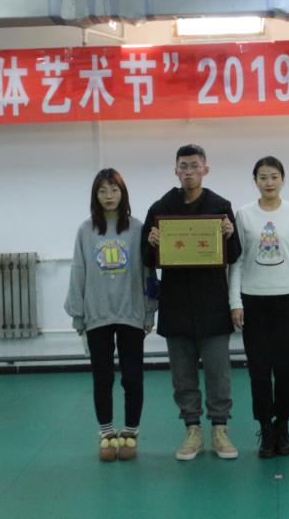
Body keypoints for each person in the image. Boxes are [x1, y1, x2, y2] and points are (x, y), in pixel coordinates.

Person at [142, 144, 243, 461]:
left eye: (195, 165)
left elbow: (235, 255)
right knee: (182, 375)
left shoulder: (220, 206)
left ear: (205, 169)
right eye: (183, 166)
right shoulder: (161, 208)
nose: (189, 171)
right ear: (176, 170)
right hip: (176, 304)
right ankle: (192, 429)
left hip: (213, 303)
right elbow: (147, 259)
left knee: (218, 373)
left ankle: (220, 428)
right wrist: (152, 243)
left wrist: (230, 235)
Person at [65, 168, 157, 462]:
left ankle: (130, 431)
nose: (108, 196)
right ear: (95, 195)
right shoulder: (85, 230)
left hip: (131, 312)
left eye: (114, 190)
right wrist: (78, 314)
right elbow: (78, 270)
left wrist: (149, 311)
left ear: (123, 193)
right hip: (97, 314)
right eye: (102, 191)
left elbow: (147, 271)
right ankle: (106, 433)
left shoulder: (137, 228)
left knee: (133, 377)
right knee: (102, 377)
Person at [229, 156, 289, 458]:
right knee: (259, 370)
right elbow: (237, 262)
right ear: (255, 181)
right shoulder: (244, 214)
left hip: (287, 299)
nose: (269, 182)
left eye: (274, 176)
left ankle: (283, 426)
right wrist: (235, 302)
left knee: (284, 369)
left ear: (283, 179)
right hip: (253, 300)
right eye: (263, 177)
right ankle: (265, 428)